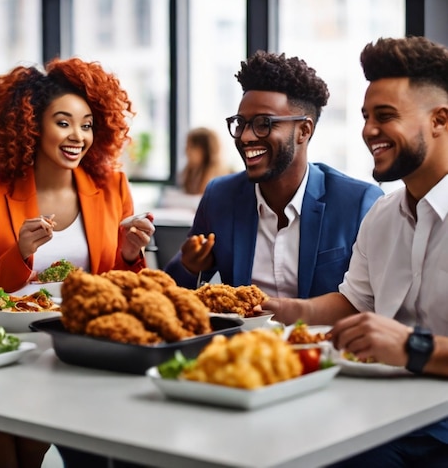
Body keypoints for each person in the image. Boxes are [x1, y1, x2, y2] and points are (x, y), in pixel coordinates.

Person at [0, 57, 155, 467]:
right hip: (3, 349)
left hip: (75, 347)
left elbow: (120, 290)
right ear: (31, 126)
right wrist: (21, 255)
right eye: (63, 122)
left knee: (34, 446)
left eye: (86, 125)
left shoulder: (113, 187)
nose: (77, 136)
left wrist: (132, 256)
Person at [261, 36, 448, 467]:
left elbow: (405, 346)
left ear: (440, 119)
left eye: (385, 116)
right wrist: (280, 310)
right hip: (381, 412)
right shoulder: (383, 216)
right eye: (366, 117)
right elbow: (352, 303)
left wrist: (412, 348)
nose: (368, 131)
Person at [164, 51, 384, 297]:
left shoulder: (358, 202)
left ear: (303, 130)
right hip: (242, 336)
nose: (246, 136)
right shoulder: (220, 196)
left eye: (264, 123)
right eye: (241, 123)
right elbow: (169, 290)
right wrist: (188, 267)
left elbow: (375, 301)